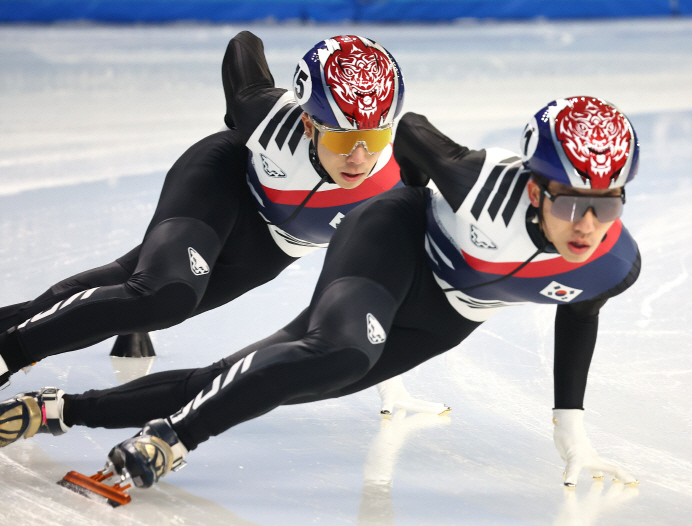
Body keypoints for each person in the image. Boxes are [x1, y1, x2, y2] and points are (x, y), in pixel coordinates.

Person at [0, 96, 641, 492]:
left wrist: (571, 433)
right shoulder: (478, 184)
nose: (588, 225)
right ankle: (171, 439)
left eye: (605, 204)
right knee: (337, 352)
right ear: (535, 190)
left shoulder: (614, 262)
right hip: (389, 244)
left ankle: (55, 410)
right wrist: (411, 203)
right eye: (573, 202)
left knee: (278, 375)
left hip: (447, 312)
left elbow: (578, 319)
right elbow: (413, 130)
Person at [0, 32, 446, 415]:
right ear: (309, 122)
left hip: (271, 246)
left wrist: (393, 386)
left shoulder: (398, 184)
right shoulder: (270, 118)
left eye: (375, 136)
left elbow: (384, 288)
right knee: (163, 295)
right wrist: (238, 117)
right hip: (222, 181)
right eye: (345, 138)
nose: (360, 158)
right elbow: (244, 46)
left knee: (138, 287)